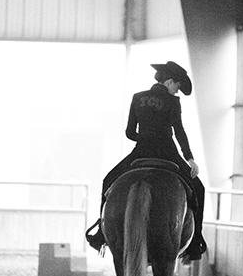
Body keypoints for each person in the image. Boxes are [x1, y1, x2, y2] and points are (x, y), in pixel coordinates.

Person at [85, 61, 207, 261]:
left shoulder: (137, 97)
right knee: (198, 189)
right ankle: (195, 242)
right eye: (177, 87)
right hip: (168, 153)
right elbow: (179, 132)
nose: (176, 92)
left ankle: (101, 231)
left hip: (141, 151)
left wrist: (145, 137)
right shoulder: (173, 102)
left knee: (108, 181)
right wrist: (189, 158)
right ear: (169, 82)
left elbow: (129, 132)